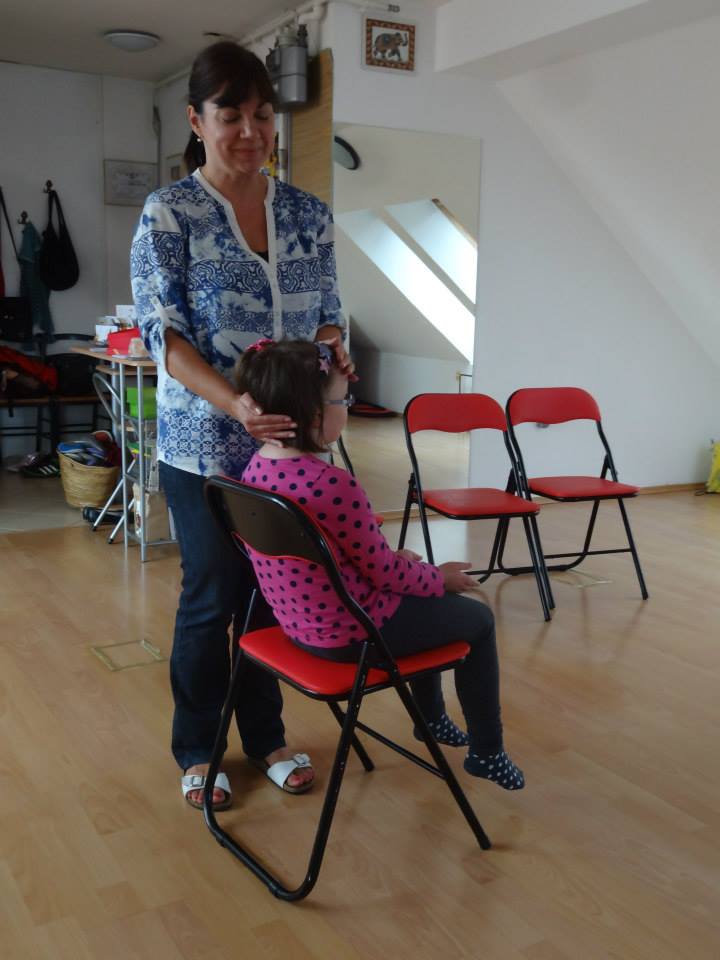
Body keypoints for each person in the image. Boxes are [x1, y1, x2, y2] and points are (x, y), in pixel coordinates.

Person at [130, 41, 354, 809]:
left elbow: (328, 316)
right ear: (198, 121)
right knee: (213, 594)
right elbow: (164, 335)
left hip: (291, 451)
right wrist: (235, 405)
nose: (251, 131)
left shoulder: (308, 215)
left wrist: (334, 355)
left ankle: (267, 737)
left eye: (262, 114)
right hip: (203, 450)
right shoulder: (171, 213)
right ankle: (198, 748)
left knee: (274, 591)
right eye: (231, 115)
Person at [236, 339, 525, 790]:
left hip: (296, 625)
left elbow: (341, 563)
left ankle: (430, 720)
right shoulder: (333, 484)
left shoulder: (253, 473)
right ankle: (487, 752)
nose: (347, 408)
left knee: (425, 596)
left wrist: (407, 570)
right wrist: (438, 578)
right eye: (342, 400)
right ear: (314, 414)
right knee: (477, 619)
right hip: (352, 634)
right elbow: (384, 574)